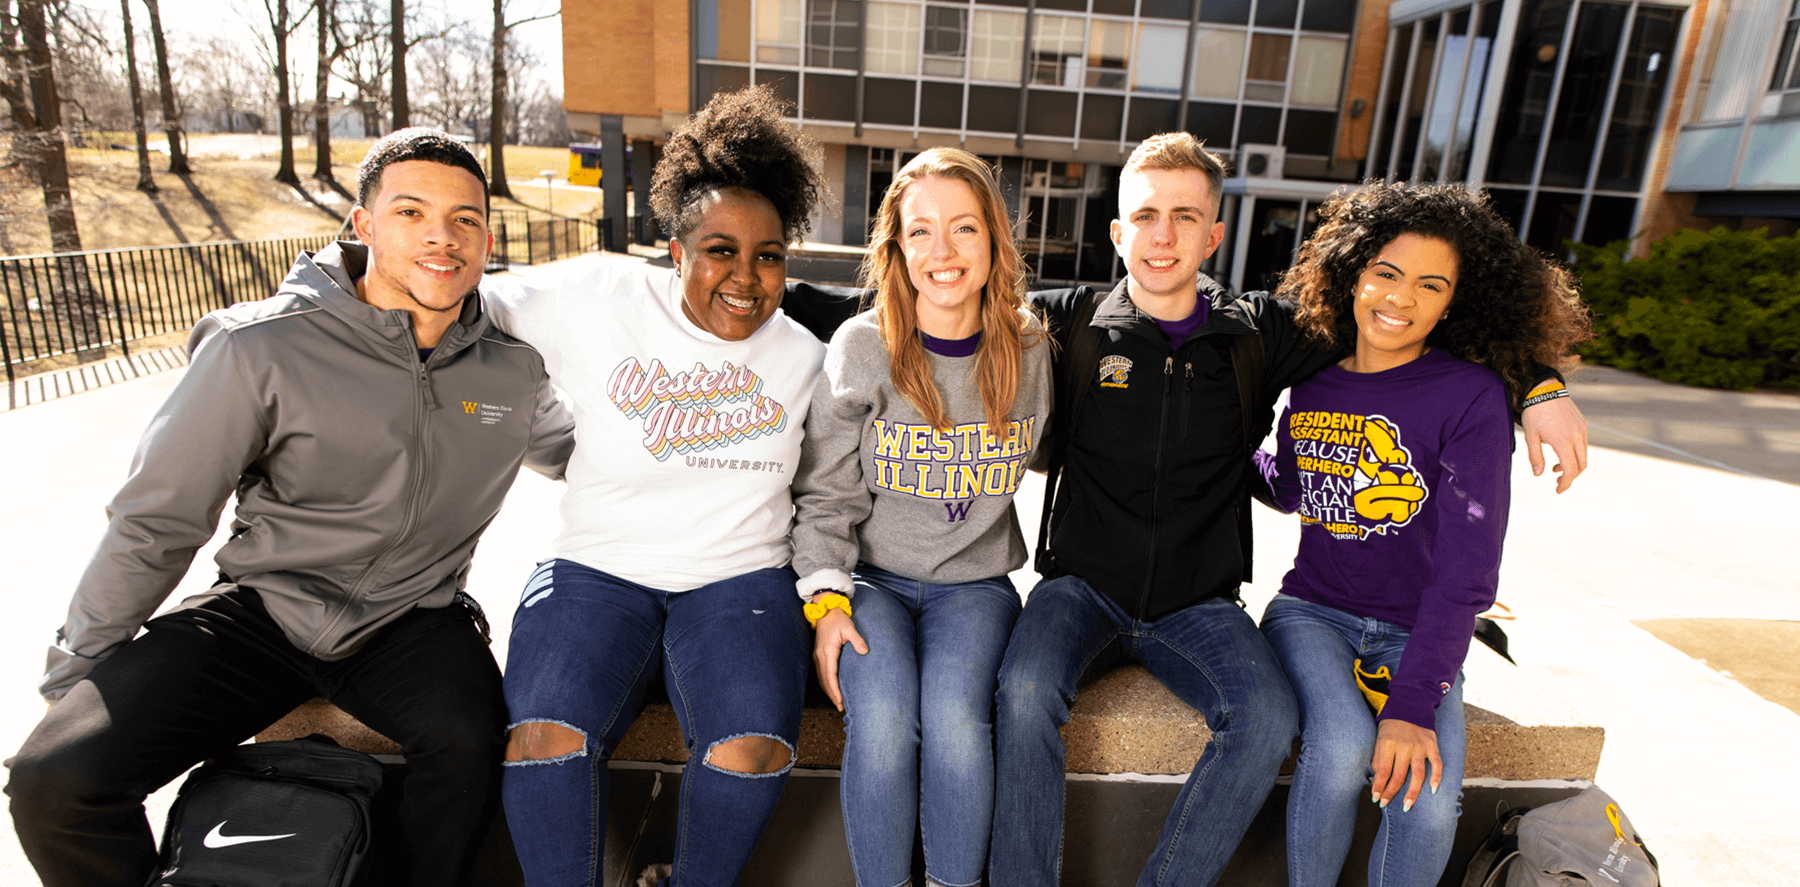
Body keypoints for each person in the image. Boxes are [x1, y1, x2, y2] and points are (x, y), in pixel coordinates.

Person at [985, 132, 1590, 887]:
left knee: (1268, 719)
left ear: (1215, 233)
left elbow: (1396, 326)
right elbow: (942, 307)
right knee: (1022, 691)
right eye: (1145, 215)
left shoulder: (1260, 331)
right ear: (1118, 231)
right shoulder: (1064, 323)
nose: (1163, 235)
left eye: (1184, 215)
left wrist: (1537, 383)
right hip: (1078, 585)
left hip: (1199, 601)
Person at [4, 128, 576, 887]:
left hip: (414, 619)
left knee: (475, 752)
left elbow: (588, 460)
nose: (442, 236)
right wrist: (75, 675)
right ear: (364, 225)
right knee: (55, 781)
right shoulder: (261, 347)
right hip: (261, 609)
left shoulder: (511, 368)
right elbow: (157, 520)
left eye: (465, 218)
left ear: (487, 236)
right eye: (411, 212)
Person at [485, 85, 826, 887]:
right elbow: (458, 296)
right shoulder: (596, 297)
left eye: (768, 255)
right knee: (542, 733)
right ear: (675, 249)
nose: (745, 278)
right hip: (597, 567)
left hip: (738, 579)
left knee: (753, 742)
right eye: (720, 250)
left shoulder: (807, 354)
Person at [1255, 183, 1590, 887]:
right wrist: (1211, 441)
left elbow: (1468, 572)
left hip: (1417, 629)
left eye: (1429, 284)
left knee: (1429, 797)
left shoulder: (1468, 395)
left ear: (1452, 303)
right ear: (1353, 273)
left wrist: (1411, 707)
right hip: (1309, 613)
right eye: (1386, 272)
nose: (1401, 298)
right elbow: (1289, 487)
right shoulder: (1312, 384)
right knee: (1342, 744)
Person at [792, 148, 1049, 887]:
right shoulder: (864, 347)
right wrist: (828, 601)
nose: (943, 252)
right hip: (870, 582)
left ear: (994, 242)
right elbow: (828, 492)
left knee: (959, 727)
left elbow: (1058, 453)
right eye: (922, 231)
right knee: (880, 725)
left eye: (964, 229)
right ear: (896, 247)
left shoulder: (1029, 350)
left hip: (975, 586)